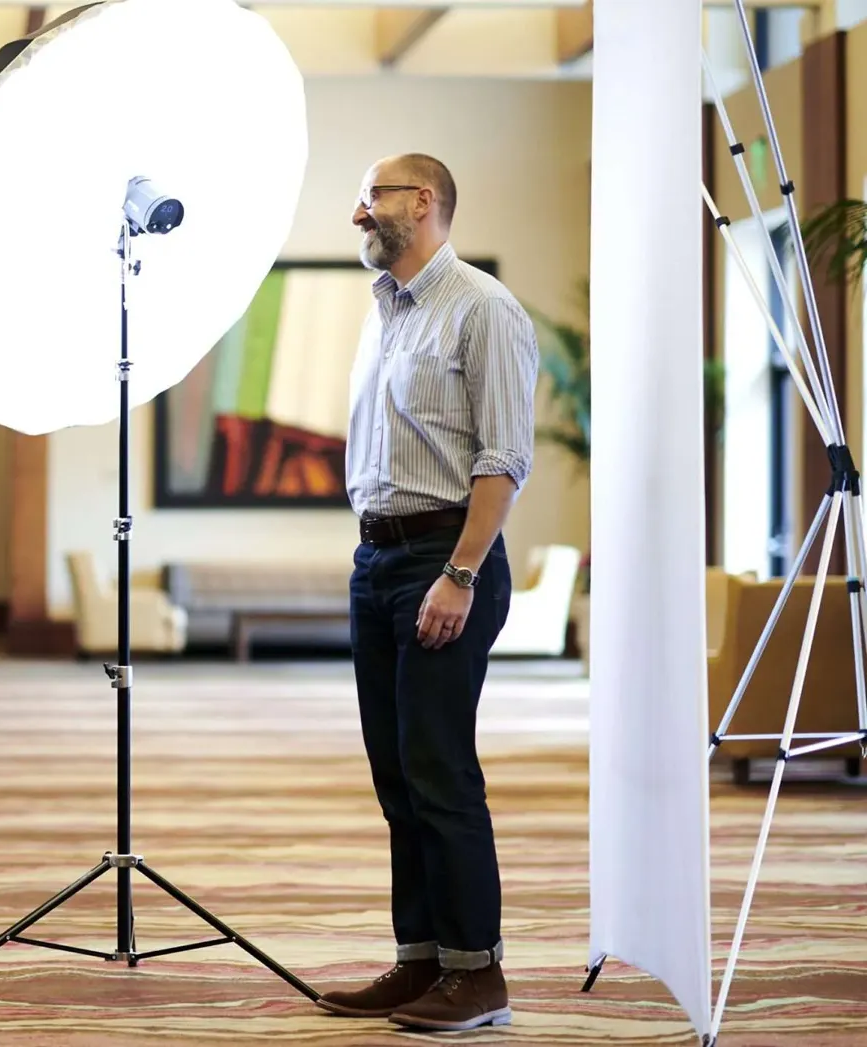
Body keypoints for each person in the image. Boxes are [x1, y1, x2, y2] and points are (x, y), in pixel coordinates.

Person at [314, 154, 537, 1032]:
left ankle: (479, 976)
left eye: (369, 197)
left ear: (421, 201)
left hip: (444, 560)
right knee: (397, 775)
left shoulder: (482, 309)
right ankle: (421, 959)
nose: (357, 213)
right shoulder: (384, 313)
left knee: (441, 772)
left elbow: (503, 458)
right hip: (376, 562)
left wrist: (460, 572)